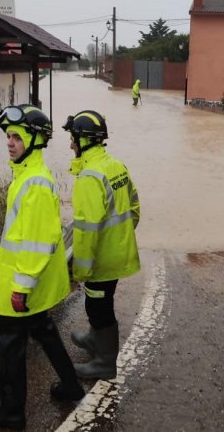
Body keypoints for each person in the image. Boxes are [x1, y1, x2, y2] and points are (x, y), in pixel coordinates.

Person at [0, 104, 85, 429]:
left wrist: (20, 287)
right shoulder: (27, 176)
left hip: (21, 286)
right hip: (28, 283)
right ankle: (70, 384)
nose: (9, 142)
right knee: (43, 330)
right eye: (8, 136)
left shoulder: (36, 183)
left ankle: (12, 414)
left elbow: (39, 241)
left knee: (9, 348)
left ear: (35, 141)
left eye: (16, 137)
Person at [61, 110, 141, 380]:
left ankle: (105, 362)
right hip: (119, 255)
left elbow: (86, 231)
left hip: (101, 261)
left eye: (73, 139)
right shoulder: (116, 165)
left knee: (98, 307)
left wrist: (80, 270)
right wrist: (122, 239)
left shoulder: (88, 178)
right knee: (101, 301)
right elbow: (135, 207)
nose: (71, 145)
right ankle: (94, 340)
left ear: (83, 140)